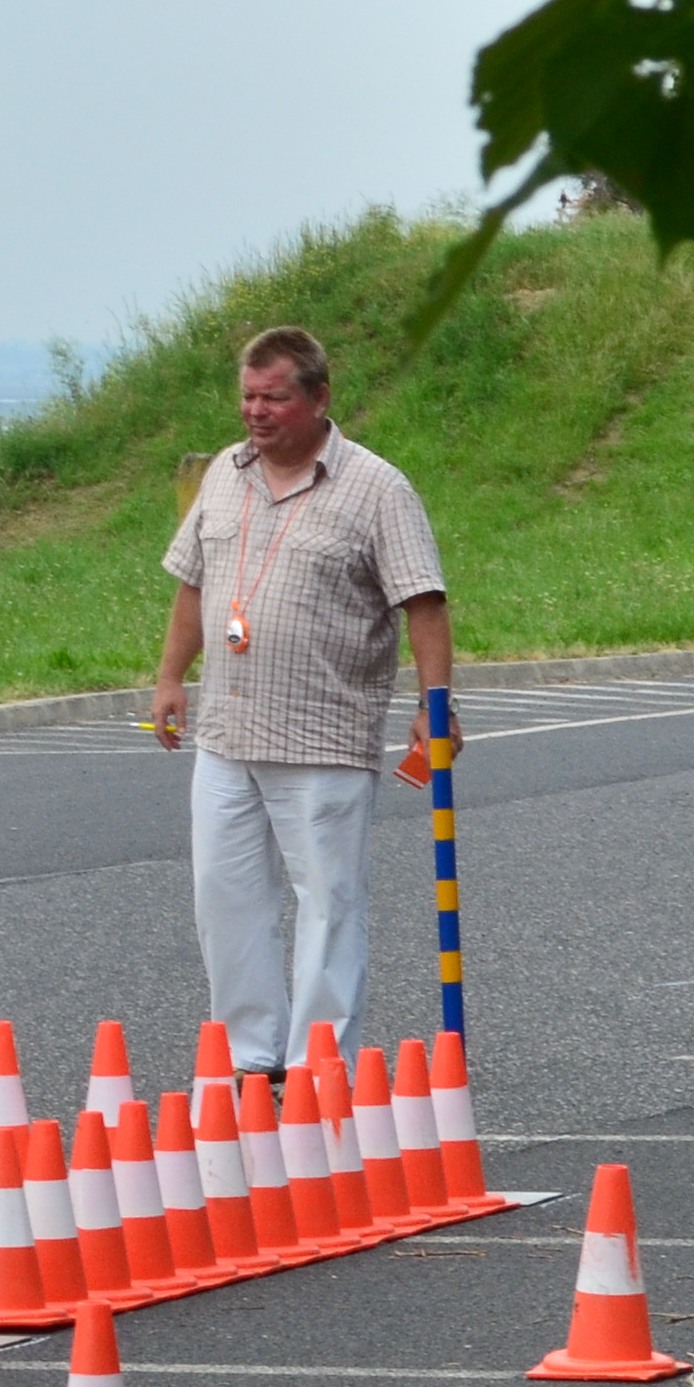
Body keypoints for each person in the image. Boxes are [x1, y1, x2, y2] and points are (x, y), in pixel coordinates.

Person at [144, 324, 450, 1083]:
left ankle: (319, 1067)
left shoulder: (377, 488)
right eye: (248, 396)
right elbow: (192, 585)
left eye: (274, 397)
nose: (256, 411)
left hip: (323, 735)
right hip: (227, 730)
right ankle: (250, 1056)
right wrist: (171, 677)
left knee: (327, 904)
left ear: (318, 398)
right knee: (225, 898)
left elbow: (424, 603)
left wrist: (434, 704)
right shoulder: (225, 474)